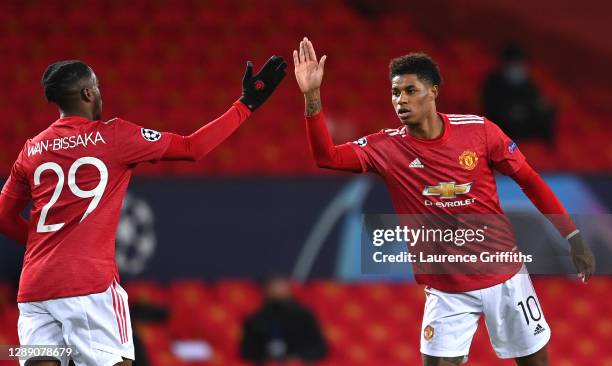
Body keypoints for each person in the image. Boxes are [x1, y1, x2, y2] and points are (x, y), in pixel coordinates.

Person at [292, 37, 595, 366]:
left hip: (507, 279)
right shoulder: (386, 148)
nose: (401, 100)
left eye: (410, 90)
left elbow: (531, 182)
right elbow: (327, 157)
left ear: (433, 91)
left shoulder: (480, 132)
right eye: (395, 93)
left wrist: (572, 236)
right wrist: (312, 96)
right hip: (447, 291)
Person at [0, 56, 287, 366]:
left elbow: (3, 216)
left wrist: (45, 248)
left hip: (34, 289)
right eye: (97, 87)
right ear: (87, 94)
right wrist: (246, 104)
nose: (100, 94)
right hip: (89, 285)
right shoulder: (115, 136)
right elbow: (193, 148)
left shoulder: (31, 149)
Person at [240, 276, 327, 365]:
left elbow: (319, 348)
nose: (277, 291)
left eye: (281, 286)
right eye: (273, 287)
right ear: (266, 290)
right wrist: (267, 360)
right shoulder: (255, 319)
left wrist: (298, 358)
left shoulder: (304, 316)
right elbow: (247, 352)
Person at [482, 43, 556, 144]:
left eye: (521, 64)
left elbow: (534, 101)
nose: (519, 68)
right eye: (515, 64)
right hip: (505, 125)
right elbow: (493, 107)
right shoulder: (493, 81)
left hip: (527, 121)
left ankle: (544, 148)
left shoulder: (528, 83)